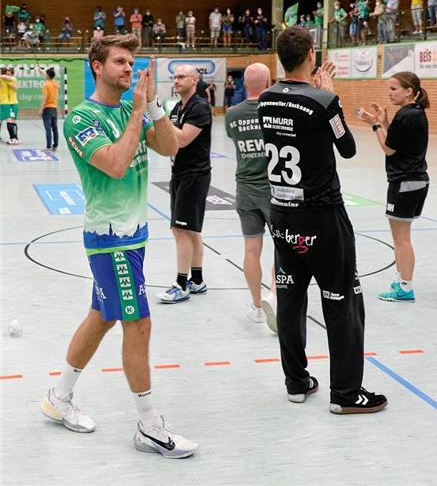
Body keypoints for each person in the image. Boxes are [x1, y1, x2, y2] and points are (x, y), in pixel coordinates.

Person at [41, 34, 197, 457]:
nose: (129, 70)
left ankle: (59, 397)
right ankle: (149, 426)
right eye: (120, 62)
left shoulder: (136, 107)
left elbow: (169, 146)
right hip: (110, 238)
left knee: (101, 317)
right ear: (97, 66)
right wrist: (136, 115)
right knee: (138, 323)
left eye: (132, 63)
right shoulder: (81, 120)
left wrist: (154, 106)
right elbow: (114, 164)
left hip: (135, 235)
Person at [258, 26, 387, 414]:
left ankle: (297, 383)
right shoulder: (324, 100)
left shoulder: (265, 99)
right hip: (322, 218)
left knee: (291, 299)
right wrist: (332, 98)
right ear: (312, 55)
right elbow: (346, 148)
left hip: (281, 215)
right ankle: (347, 394)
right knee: (342, 301)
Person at [357, 72, 430, 303]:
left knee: (401, 239)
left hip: (405, 182)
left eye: (394, 89)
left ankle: (405, 288)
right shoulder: (414, 113)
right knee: (401, 237)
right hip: (415, 180)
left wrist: (375, 124)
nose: (390, 93)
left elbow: (389, 148)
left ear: (408, 91)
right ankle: (401, 281)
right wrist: (385, 121)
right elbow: (398, 140)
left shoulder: (406, 114)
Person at [224, 63, 277, 328]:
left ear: (245, 83)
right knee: (284, 248)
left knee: (251, 249)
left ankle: (256, 306)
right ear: (268, 81)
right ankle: (276, 297)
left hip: (244, 189)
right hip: (273, 190)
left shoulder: (232, 114)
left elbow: (235, 138)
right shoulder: (273, 111)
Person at [156, 65, 213, 304]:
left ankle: (181, 284)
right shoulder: (179, 107)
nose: (176, 80)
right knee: (190, 230)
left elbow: (181, 138)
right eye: (175, 76)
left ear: (194, 79)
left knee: (180, 229)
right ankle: (197, 280)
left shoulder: (199, 107)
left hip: (194, 175)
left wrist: (157, 112)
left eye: (181, 77)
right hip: (179, 173)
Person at [39, 67, 59, 151]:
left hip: (47, 109)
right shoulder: (55, 83)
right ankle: (55, 146)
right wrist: (43, 72)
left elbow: (45, 97)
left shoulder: (46, 85)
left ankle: (48, 146)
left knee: (48, 128)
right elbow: (49, 77)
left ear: (47, 75)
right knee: (55, 128)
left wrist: (41, 108)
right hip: (54, 108)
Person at [0, 68, 20, 145]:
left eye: (9, 74)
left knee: (11, 121)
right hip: (7, 103)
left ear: (12, 74)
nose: (8, 75)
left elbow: (15, 88)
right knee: (8, 120)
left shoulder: (13, 80)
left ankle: (14, 138)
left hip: (13, 103)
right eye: (7, 74)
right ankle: (14, 138)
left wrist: (9, 83)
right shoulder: (4, 80)